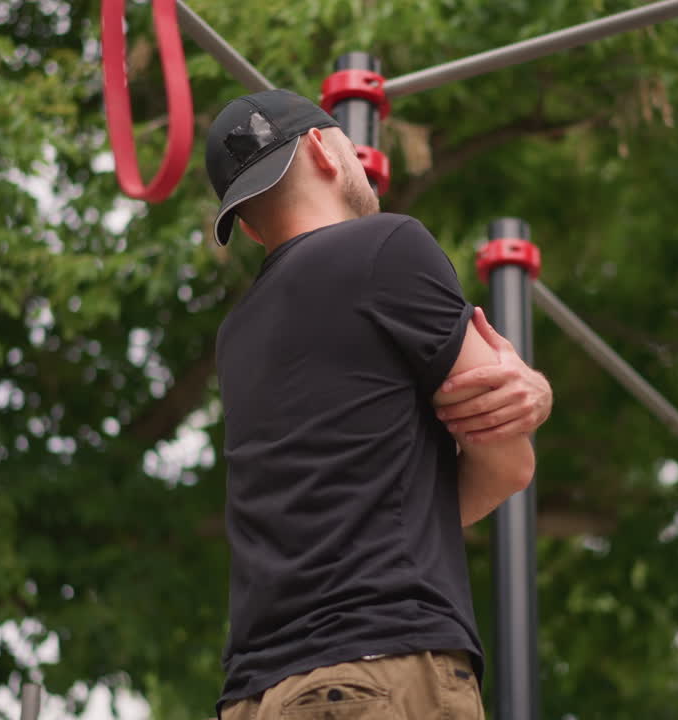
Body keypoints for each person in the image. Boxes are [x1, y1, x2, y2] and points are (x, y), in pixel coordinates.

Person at [204, 89, 553, 719]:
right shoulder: (389, 247)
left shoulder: (236, 336)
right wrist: (531, 390)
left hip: (254, 695)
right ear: (324, 150)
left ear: (250, 227)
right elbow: (509, 462)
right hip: (378, 668)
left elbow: (351, 487)